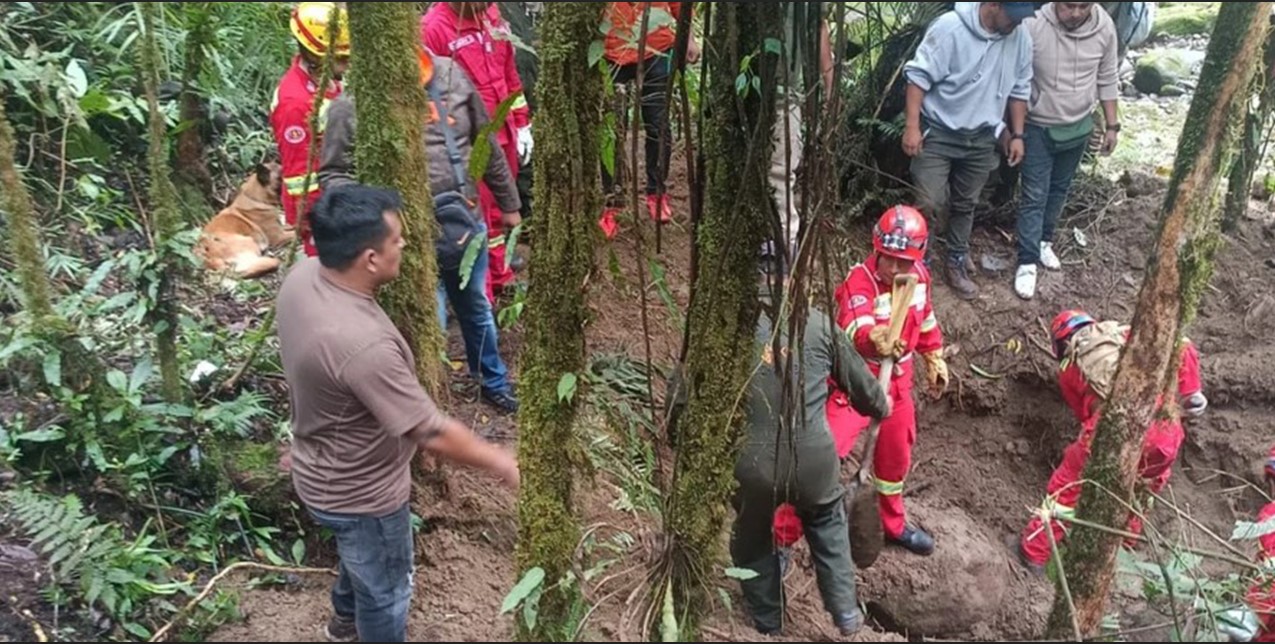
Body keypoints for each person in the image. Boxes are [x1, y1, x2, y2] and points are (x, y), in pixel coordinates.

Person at [275, 183, 519, 643]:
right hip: (363, 496)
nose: (405, 244)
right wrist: (500, 461)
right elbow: (429, 429)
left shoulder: (303, 277)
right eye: (396, 240)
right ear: (370, 258)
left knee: (360, 561)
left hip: (317, 469)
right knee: (386, 590)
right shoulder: (363, 346)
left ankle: (343, 623)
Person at [319, 51, 523, 415]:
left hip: (464, 221)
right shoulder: (350, 107)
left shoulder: (450, 76)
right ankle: (426, 406)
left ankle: (493, 381)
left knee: (476, 307)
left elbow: (485, 141)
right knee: (430, 321)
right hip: (403, 241)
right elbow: (334, 175)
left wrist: (510, 205)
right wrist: (369, 224)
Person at [728, 257, 892, 637]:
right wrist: (881, 403)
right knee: (827, 523)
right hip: (814, 459)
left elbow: (686, 393)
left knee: (751, 537)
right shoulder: (817, 322)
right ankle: (847, 615)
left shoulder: (729, 323)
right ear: (792, 275)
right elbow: (867, 394)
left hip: (753, 461)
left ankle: (769, 624)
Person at [1015, 310, 1208, 573]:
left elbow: (1087, 415)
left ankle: (1033, 552)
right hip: (1165, 430)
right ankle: (1124, 546)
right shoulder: (1124, 333)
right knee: (1144, 487)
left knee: (1066, 489)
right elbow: (1181, 342)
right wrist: (1191, 390)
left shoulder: (1068, 369)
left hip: (1112, 427)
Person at [831, 205, 951, 556]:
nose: (896, 268)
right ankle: (785, 536)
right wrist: (874, 337)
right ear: (876, 250)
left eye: (904, 262)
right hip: (856, 381)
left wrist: (933, 355)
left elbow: (925, 319)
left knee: (895, 456)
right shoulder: (860, 280)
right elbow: (854, 324)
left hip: (898, 381)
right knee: (823, 452)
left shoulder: (920, 279)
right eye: (888, 259)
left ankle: (890, 524)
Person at [902, 2, 1037, 300]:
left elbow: (1019, 90)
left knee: (967, 203)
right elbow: (918, 78)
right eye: (1012, 17)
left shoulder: (1020, 38)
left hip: (981, 135)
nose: (1016, 24)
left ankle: (956, 260)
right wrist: (912, 126)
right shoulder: (949, 28)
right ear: (992, 5)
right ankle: (917, 262)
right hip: (938, 129)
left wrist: (1016, 134)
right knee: (930, 200)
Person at [421, 2, 530, 301]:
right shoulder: (434, 28)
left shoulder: (491, 14)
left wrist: (521, 122)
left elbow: (509, 71)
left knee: (501, 209)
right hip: (469, 140)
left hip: (503, 129)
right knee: (478, 214)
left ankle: (501, 274)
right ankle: (483, 291)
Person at [1013, 2, 1120, 300]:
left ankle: (1044, 240)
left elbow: (1108, 76)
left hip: (1077, 126)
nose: (1075, 12)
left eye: (1082, 6)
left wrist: (1112, 126)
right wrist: (1017, 132)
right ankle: (1026, 260)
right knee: (1034, 194)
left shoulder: (1105, 27)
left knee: (1059, 189)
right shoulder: (1033, 25)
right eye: (1068, 5)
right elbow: (1019, 81)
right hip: (1038, 125)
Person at [600, 2, 701, 225]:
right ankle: (613, 199)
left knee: (658, 125)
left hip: (658, 47)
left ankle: (657, 192)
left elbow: (680, 5)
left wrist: (690, 39)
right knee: (611, 129)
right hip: (610, 51)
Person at [271, 1, 349, 257]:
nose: (346, 63)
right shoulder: (294, 102)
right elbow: (298, 173)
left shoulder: (327, 80)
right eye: (340, 58)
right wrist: (315, 218)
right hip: (321, 208)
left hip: (340, 192)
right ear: (316, 55)